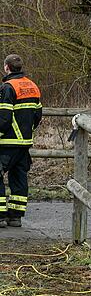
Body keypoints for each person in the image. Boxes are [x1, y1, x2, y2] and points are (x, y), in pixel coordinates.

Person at [0, 54, 42, 228]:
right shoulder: (33, 86)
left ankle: (1, 216)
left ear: (7, 67)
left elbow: (3, 117)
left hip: (8, 141)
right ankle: (16, 216)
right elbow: (38, 115)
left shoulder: (7, 88)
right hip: (24, 142)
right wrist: (28, 132)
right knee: (19, 177)